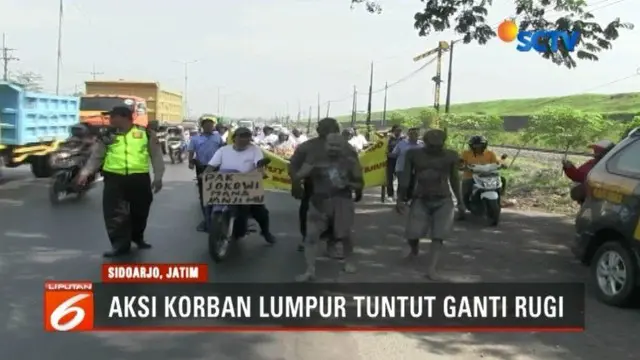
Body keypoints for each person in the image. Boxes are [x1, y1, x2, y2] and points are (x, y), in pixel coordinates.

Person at [76, 106, 165, 258]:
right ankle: (119, 244)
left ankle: (137, 236)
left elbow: (156, 156)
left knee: (140, 211)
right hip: (114, 179)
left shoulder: (146, 134)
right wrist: (85, 172)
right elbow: (97, 156)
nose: (110, 119)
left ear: (123, 117)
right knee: (115, 214)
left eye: (113, 116)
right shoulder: (108, 135)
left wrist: (158, 177)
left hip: (139, 178)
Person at [292, 133, 363, 281]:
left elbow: (360, 183)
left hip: (342, 202)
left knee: (345, 236)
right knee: (311, 237)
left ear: (343, 147)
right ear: (325, 145)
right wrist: (300, 177)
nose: (333, 149)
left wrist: (348, 184)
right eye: (331, 145)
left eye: (337, 146)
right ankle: (310, 270)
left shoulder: (350, 161)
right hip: (318, 202)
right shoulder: (315, 160)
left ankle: (348, 262)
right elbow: (299, 175)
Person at [395, 129, 464, 280]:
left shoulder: (450, 156)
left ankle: (431, 268)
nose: (435, 149)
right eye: (432, 145)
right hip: (421, 198)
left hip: (443, 199)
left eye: (438, 146)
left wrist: (460, 201)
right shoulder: (414, 155)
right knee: (412, 233)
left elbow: (454, 179)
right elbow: (405, 178)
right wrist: (400, 199)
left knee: (438, 235)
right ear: (425, 143)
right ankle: (414, 250)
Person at [289, 118, 358, 254]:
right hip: (313, 187)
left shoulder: (346, 147)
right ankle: (307, 239)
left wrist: (356, 186)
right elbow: (293, 165)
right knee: (308, 214)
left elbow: (354, 168)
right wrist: (295, 183)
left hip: (339, 189)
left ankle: (331, 243)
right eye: (322, 127)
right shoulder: (308, 146)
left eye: (329, 128)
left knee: (336, 218)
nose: (324, 130)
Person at [206, 127, 276, 243]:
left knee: (261, 211)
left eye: (247, 136)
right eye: (241, 136)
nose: (245, 139)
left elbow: (259, 164)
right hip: (225, 183)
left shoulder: (255, 150)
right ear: (234, 138)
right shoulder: (223, 150)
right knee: (208, 202)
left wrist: (260, 171)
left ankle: (265, 232)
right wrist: (205, 175)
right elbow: (211, 166)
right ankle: (208, 224)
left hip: (246, 183)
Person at [188, 118, 224, 231]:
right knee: (204, 194)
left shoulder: (218, 138)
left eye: (211, 125)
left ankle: (216, 216)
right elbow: (191, 151)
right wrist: (190, 162)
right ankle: (207, 220)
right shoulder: (195, 139)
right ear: (202, 126)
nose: (209, 127)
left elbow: (223, 150)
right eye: (207, 125)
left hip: (217, 168)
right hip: (202, 168)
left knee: (217, 192)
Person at [460, 135, 503, 207]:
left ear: (484, 145)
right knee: (466, 185)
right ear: (471, 146)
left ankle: (500, 199)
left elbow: (496, 163)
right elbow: (461, 163)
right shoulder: (466, 153)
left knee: (502, 180)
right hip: (471, 176)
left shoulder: (490, 153)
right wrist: (462, 166)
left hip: (488, 176)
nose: (478, 147)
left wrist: (502, 165)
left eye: (480, 145)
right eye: (475, 145)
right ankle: (463, 206)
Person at [390, 127, 423, 200]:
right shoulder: (401, 144)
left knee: (414, 185)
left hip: (417, 169)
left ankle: (411, 200)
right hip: (402, 168)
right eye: (411, 133)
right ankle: (400, 201)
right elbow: (394, 154)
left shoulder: (422, 145)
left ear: (418, 135)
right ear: (408, 134)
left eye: (415, 133)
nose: (413, 135)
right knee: (403, 185)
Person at [385, 125, 404, 200]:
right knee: (389, 178)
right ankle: (390, 195)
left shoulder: (404, 139)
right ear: (393, 131)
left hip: (400, 160)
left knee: (400, 178)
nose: (398, 132)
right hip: (390, 160)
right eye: (397, 130)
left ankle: (400, 195)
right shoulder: (388, 139)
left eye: (400, 130)